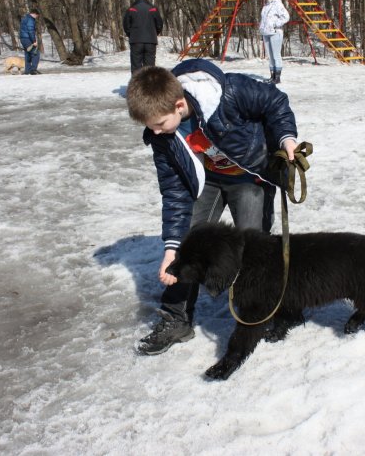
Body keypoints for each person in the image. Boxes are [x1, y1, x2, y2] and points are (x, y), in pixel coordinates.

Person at [126, 58, 299, 355]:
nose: (155, 132)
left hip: (249, 176)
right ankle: (176, 319)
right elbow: (174, 191)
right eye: (150, 126)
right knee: (187, 244)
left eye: (159, 124)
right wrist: (172, 249)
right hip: (208, 181)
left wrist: (286, 139)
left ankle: (259, 311)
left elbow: (275, 101)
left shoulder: (229, 92)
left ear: (179, 105)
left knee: (253, 244)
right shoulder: (163, 137)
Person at [123, 0, 163, 75]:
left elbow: (126, 24)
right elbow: (159, 24)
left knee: (136, 67)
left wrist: (131, 34)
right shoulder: (153, 9)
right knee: (150, 68)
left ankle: (137, 87)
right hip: (150, 41)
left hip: (136, 41)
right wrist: (154, 33)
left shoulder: (132, 9)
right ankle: (149, 87)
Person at [259, 0, 290, 84]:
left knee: (276, 55)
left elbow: (286, 17)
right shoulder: (266, 5)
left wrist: (276, 24)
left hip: (275, 32)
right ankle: (272, 76)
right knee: (270, 56)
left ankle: (277, 78)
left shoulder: (277, 4)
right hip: (266, 32)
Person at [19, 9, 41, 75]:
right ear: (34, 14)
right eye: (37, 16)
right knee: (36, 53)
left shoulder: (25, 18)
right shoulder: (30, 20)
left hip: (23, 38)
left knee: (28, 54)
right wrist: (34, 41)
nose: (36, 17)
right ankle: (33, 70)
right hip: (28, 39)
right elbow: (30, 30)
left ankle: (27, 71)